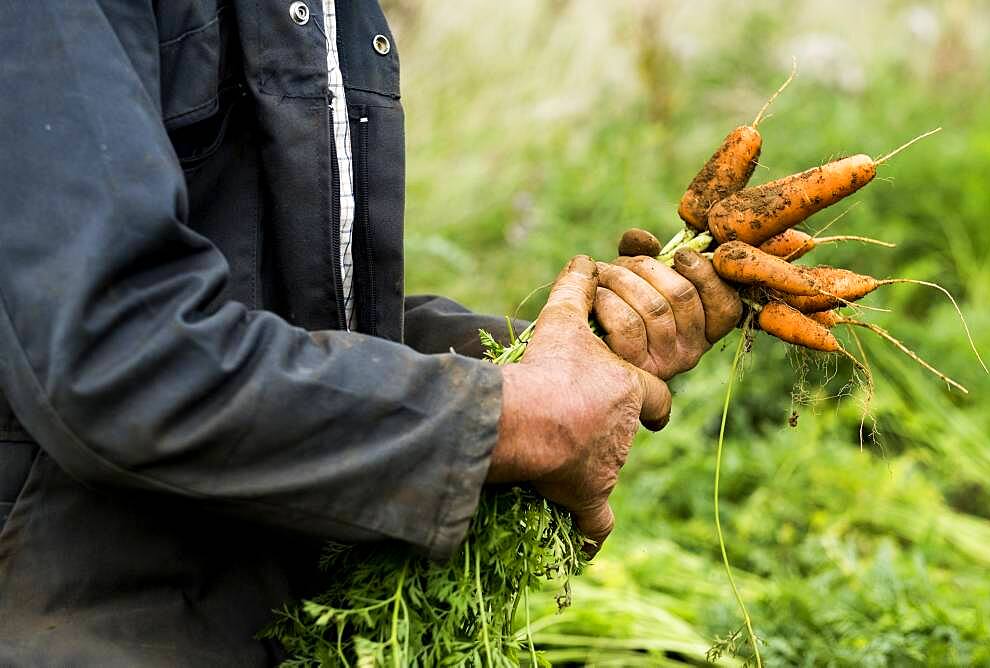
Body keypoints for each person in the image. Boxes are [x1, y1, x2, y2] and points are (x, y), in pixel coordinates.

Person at [0, 1, 741, 666]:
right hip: (72, 613)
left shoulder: (333, 15)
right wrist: (516, 415)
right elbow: (121, 355)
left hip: (272, 611)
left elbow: (296, 323)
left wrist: (570, 347)